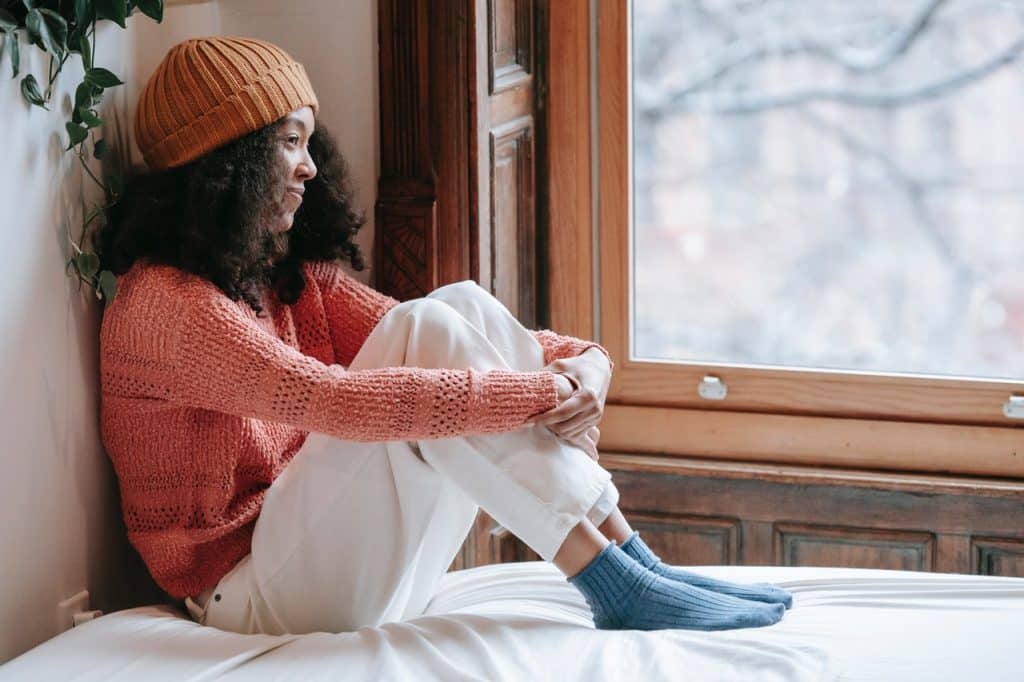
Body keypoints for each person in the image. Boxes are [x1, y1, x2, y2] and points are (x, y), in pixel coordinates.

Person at [96, 36, 791, 636]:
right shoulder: (168, 307)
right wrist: (536, 394)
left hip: (320, 561)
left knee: (449, 306)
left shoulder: (281, 278)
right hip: (247, 596)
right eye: (288, 143)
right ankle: (616, 583)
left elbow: (438, 330)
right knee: (426, 326)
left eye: (310, 142)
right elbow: (336, 403)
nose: (309, 166)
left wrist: (586, 366)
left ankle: (635, 564)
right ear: (229, 162)